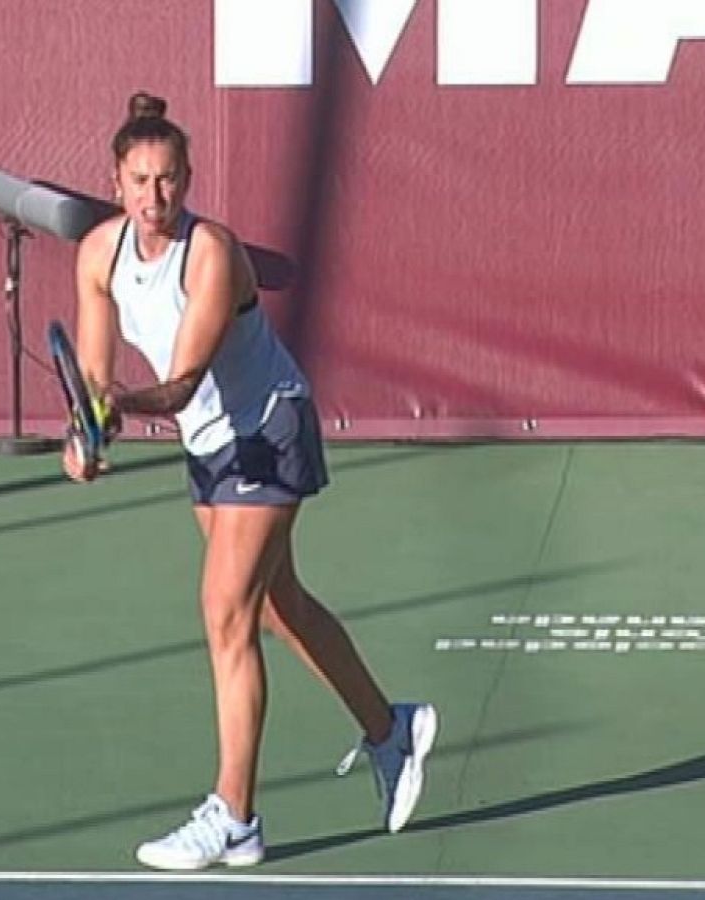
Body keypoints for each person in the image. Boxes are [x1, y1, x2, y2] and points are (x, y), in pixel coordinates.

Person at [61, 92, 439, 871]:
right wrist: (86, 430)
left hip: (265, 429)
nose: (154, 196)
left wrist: (119, 408)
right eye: (139, 181)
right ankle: (388, 728)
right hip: (210, 443)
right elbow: (95, 375)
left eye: (168, 180)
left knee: (225, 614)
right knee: (277, 606)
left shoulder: (214, 254)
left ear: (189, 178)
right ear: (117, 179)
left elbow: (179, 383)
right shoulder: (98, 254)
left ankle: (235, 815)